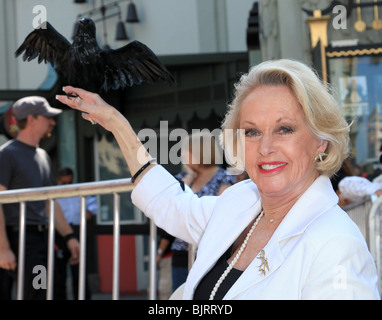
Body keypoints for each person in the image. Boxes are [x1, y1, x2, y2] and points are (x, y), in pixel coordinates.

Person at [57, 59, 380, 299]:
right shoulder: (240, 203)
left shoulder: (337, 246)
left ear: (321, 141)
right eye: (252, 131)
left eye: (285, 129)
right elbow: (170, 203)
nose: (265, 148)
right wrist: (117, 124)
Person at [0, 96, 80, 300]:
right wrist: (4, 248)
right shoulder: (7, 154)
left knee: (42, 292)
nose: (52, 122)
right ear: (32, 119)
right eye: (47, 117)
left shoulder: (43, 156)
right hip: (19, 238)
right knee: (34, 293)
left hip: (41, 239)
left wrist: (69, 237)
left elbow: (48, 202)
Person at [170, 132, 236, 292]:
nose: (182, 154)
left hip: (210, 253)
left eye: (186, 150)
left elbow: (222, 214)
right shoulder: (182, 177)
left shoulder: (224, 177)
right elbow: (172, 207)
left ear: (201, 152)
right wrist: (190, 178)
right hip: (181, 252)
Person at [54, 167, 98, 300]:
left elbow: (92, 204)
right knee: (58, 273)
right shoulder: (52, 192)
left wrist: (88, 213)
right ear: (58, 180)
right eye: (64, 183)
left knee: (80, 272)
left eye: (69, 182)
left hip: (78, 231)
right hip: (60, 234)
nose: (67, 186)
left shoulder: (78, 189)